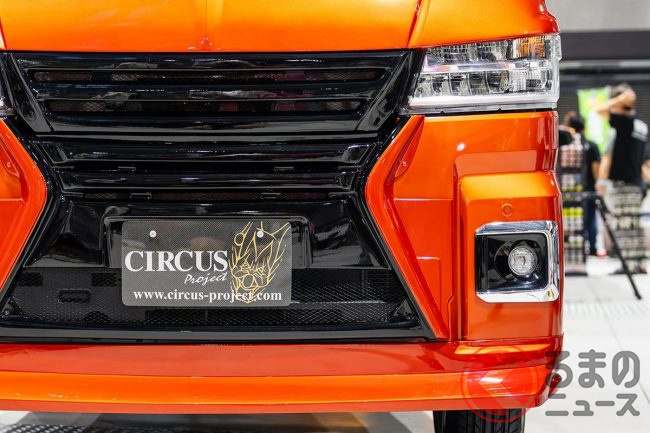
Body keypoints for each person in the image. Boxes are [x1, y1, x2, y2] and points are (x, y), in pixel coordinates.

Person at [595, 83, 650, 273]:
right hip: (635, 183)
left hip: (622, 183)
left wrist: (618, 100)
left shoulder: (624, 122)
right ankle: (639, 264)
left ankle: (628, 265)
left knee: (623, 225)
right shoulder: (641, 125)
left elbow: (598, 110)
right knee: (634, 224)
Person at [563, 112, 600, 255]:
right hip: (589, 188)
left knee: (570, 218)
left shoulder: (566, 146)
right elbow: (596, 168)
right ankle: (592, 248)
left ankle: (570, 247)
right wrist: (597, 185)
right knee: (590, 218)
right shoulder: (591, 145)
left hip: (569, 188)